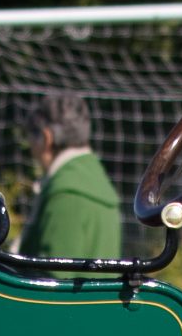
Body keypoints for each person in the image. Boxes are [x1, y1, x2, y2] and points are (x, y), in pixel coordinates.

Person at [17, 90, 121, 261]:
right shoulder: (96, 180)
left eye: (31, 140)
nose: (32, 150)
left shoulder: (66, 193)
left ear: (46, 137)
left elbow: (54, 277)